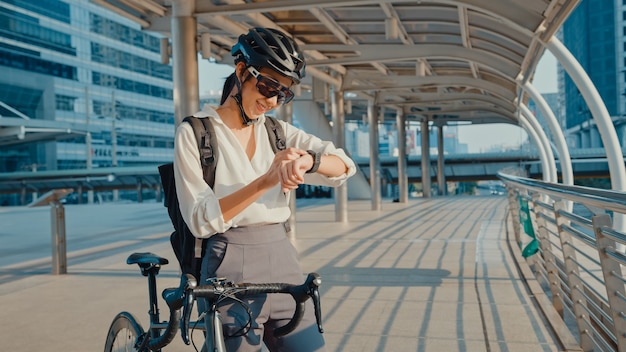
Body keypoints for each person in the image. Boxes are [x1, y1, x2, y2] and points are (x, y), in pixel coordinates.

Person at [173, 27, 356, 352]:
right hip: (228, 262)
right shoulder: (196, 133)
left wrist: (307, 162)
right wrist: (266, 181)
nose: (272, 101)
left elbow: (343, 165)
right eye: (268, 86)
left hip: (283, 258)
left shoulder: (277, 132)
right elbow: (201, 219)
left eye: (283, 94)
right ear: (242, 70)